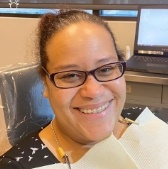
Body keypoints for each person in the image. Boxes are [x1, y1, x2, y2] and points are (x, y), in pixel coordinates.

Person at [0, 9, 129, 168]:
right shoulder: (16, 166)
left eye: (105, 69)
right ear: (45, 82)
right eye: (70, 75)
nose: (94, 91)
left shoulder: (138, 119)